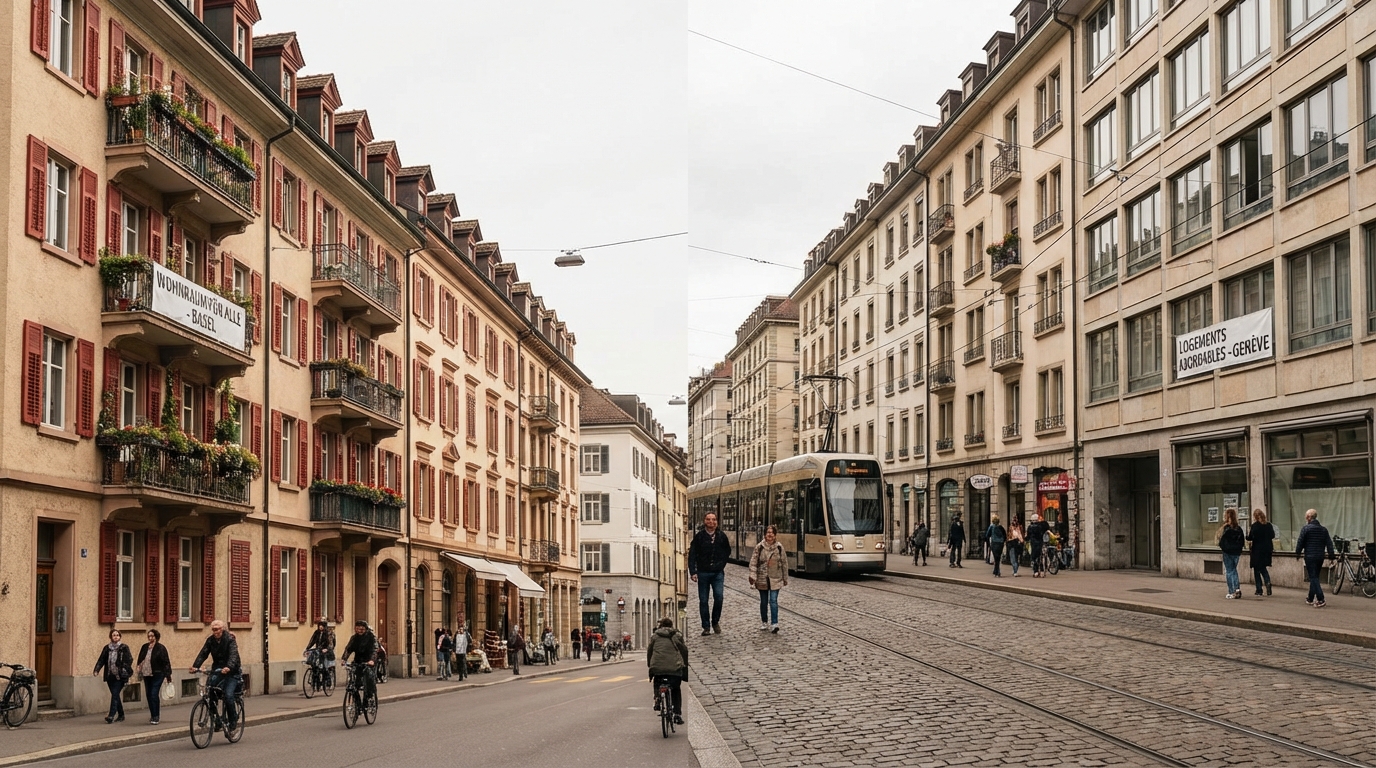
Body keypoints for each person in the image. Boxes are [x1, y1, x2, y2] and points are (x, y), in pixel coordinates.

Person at [190, 620, 241, 730]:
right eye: (213, 630)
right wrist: (195, 666)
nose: (215, 632)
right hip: (217, 670)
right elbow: (203, 653)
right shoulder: (210, 640)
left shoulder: (230, 640)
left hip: (232, 672)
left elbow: (233, 655)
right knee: (210, 693)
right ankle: (216, 719)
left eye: (217, 629)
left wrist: (229, 667)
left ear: (222, 629)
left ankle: (232, 720)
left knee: (228, 695)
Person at [688, 512, 731, 636]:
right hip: (703, 573)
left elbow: (727, 551)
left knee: (719, 597)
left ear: (716, 521)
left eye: (713, 519)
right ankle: (706, 626)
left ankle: (715, 621)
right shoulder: (699, 537)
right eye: (708, 519)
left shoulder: (722, 536)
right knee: (703, 600)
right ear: (704, 521)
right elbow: (692, 555)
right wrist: (693, 571)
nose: (711, 522)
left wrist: (721, 564)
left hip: (717, 573)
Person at [646, 617, 689, 725]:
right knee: (676, 689)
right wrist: (685, 663)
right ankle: (677, 714)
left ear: (660, 626)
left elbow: (649, 651)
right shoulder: (677, 636)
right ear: (671, 625)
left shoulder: (654, 636)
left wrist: (650, 665)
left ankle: (657, 699)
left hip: (658, 667)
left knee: (657, 680)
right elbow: (684, 650)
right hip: (674, 668)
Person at [748, 524, 789, 633]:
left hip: (776, 578)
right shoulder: (759, 547)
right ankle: (764, 621)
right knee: (764, 601)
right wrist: (753, 575)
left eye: (772, 533)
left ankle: (775, 623)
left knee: (773, 600)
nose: (770, 534)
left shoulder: (779, 547)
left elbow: (784, 563)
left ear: (775, 535)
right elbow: (753, 562)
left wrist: (785, 578)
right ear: (765, 534)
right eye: (768, 532)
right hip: (762, 578)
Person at [1296, 508, 1335, 608]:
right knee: (1315, 577)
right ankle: (1310, 598)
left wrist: (1297, 553)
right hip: (1320, 556)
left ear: (1309, 517)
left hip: (1310, 556)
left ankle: (1321, 599)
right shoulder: (1323, 530)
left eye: (1306, 517)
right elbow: (1329, 543)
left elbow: (1300, 542)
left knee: (1313, 577)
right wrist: (1331, 556)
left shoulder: (1306, 529)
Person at [92, 628, 133, 724]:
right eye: (114, 635)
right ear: (111, 637)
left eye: (117, 635)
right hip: (110, 675)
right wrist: (97, 669)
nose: (116, 637)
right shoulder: (107, 648)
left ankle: (111, 715)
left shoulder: (124, 647)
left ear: (120, 637)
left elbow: (129, 659)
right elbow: (101, 659)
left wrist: (123, 666)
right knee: (115, 695)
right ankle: (121, 715)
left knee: (115, 694)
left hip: (120, 675)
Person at [136, 629, 172, 725]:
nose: (150, 638)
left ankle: (156, 716)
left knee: (153, 694)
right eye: (149, 636)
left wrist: (168, 675)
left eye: (152, 636)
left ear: (156, 637)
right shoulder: (145, 647)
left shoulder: (161, 648)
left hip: (158, 673)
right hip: (146, 673)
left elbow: (166, 662)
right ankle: (152, 715)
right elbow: (140, 658)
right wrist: (138, 667)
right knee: (148, 694)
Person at [340, 620, 379, 702]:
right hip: (358, 661)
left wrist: (372, 660)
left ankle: (369, 697)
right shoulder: (354, 638)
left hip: (368, 661)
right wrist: (344, 659)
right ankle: (356, 701)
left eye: (361, 629)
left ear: (366, 629)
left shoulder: (371, 638)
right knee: (354, 682)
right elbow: (348, 649)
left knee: (369, 677)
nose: (359, 631)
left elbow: (374, 650)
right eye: (357, 629)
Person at [1216, 507, 1246, 599]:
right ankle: (1237, 588)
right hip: (1236, 552)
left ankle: (1231, 591)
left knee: (1229, 571)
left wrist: (1223, 547)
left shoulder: (1226, 528)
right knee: (1233, 570)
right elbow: (1242, 541)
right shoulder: (1239, 529)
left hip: (1227, 552)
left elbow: (1221, 540)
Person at [1247, 508, 1276, 597]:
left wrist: (1247, 536)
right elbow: (1273, 535)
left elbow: (1250, 537)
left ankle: (1259, 589)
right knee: (1263, 567)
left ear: (1255, 517)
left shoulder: (1255, 526)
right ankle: (1267, 582)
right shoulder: (1269, 525)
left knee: (1257, 569)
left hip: (1257, 550)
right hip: (1267, 550)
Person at [1027, 513, 1050, 578]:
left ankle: (1036, 572)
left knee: (1034, 557)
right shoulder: (1041, 526)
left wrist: (1026, 540)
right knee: (1040, 557)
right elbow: (1046, 528)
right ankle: (1042, 571)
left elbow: (1028, 536)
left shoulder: (1030, 527)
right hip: (1040, 542)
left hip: (1033, 543)